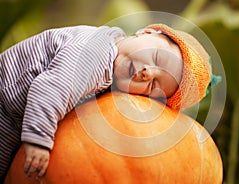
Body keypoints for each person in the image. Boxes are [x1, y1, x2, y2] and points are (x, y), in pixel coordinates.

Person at [0, 23, 214, 181]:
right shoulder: (95, 53)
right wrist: (38, 139)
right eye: (157, 58)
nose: (147, 72)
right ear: (148, 32)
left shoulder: (111, 61)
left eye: (154, 86)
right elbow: (51, 87)